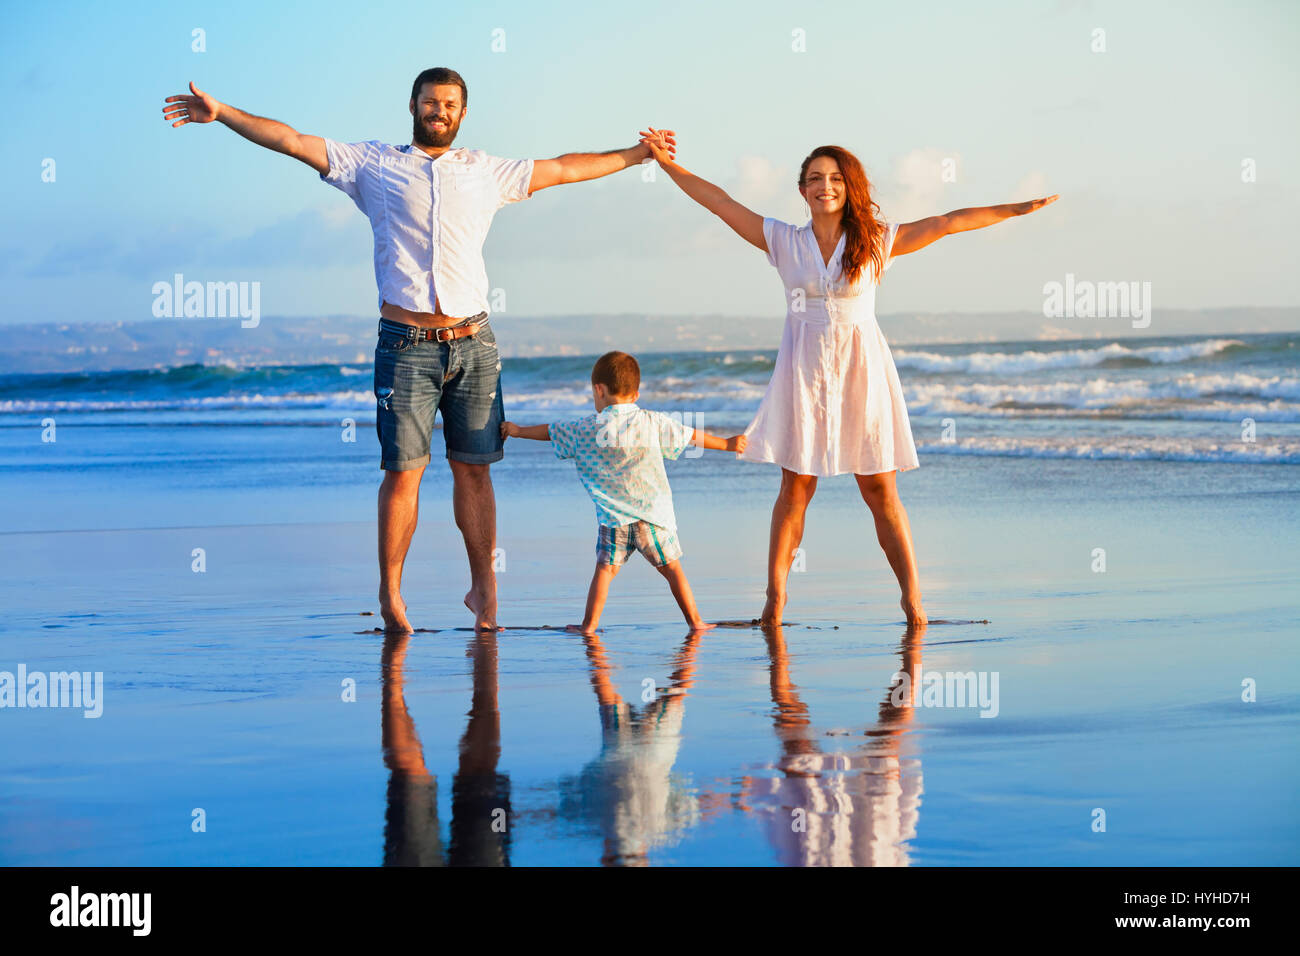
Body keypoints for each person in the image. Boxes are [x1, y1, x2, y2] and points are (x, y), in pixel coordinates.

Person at [161, 68, 677, 633]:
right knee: (404, 474)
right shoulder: (372, 164)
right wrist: (225, 112)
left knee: (474, 471)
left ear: (462, 113)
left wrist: (636, 155)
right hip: (405, 344)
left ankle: (484, 589)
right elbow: (293, 141)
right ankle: (391, 594)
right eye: (432, 102)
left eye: (451, 104)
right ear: (413, 105)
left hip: (473, 343)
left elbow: (562, 168)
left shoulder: (486, 171)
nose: (440, 111)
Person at [638, 129, 1057, 628]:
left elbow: (946, 222)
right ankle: (775, 601)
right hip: (803, 373)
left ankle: (914, 604)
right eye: (815, 178)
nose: (825, 186)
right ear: (802, 190)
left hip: (863, 372)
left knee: (881, 491)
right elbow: (720, 203)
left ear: (849, 186)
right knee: (795, 489)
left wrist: (1015, 210)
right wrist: (667, 165)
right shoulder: (783, 240)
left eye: (835, 178)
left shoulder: (877, 240)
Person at [500, 350, 746, 634]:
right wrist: (727, 444)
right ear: (636, 394)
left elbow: (552, 432)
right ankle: (696, 622)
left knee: (605, 571)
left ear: (599, 390)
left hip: (613, 520)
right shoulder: (652, 422)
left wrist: (518, 431)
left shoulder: (585, 427)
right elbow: (689, 435)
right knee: (672, 569)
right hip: (652, 517)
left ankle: (589, 625)